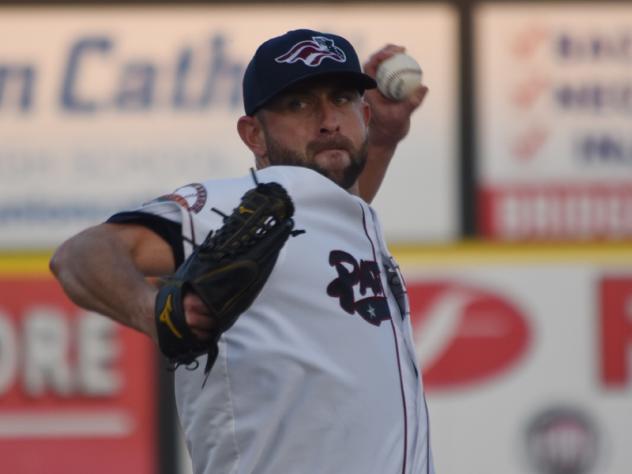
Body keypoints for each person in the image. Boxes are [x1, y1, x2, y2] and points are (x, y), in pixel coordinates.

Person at [51, 29, 434, 474]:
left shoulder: (343, 217)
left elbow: (324, 223)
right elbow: (79, 255)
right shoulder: (237, 205)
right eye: (299, 104)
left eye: (342, 99)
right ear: (254, 135)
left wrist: (382, 141)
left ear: (365, 113)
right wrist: (154, 314)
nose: (329, 120)